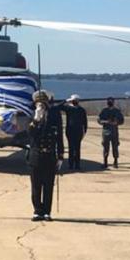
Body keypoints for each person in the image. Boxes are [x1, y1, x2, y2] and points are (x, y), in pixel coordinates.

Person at [28, 90, 64, 221]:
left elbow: (59, 136)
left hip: (50, 155)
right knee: (36, 186)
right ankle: (37, 211)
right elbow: (31, 135)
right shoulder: (32, 116)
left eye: (43, 104)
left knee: (48, 185)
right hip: (36, 156)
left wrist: (60, 155)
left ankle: (47, 211)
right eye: (39, 104)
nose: (41, 106)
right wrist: (36, 119)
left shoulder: (54, 116)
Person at [61, 94, 88, 170]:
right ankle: (71, 164)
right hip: (70, 131)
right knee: (71, 148)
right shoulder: (68, 108)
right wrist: (66, 101)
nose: (75, 101)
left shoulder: (81, 110)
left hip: (78, 131)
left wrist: (85, 130)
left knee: (77, 148)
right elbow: (59, 106)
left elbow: (84, 121)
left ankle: (77, 164)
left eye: (76, 100)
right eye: (73, 100)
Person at [98, 97, 124, 168]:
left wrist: (116, 122)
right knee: (105, 147)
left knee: (115, 147)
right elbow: (99, 120)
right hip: (106, 132)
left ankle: (115, 161)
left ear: (113, 102)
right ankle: (105, 161)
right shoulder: (104, 111)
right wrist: (106, 121)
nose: (110, 102)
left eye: (111, 101)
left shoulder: (117, 111)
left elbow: (122, 121)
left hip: (114, 132)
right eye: (109, 101)